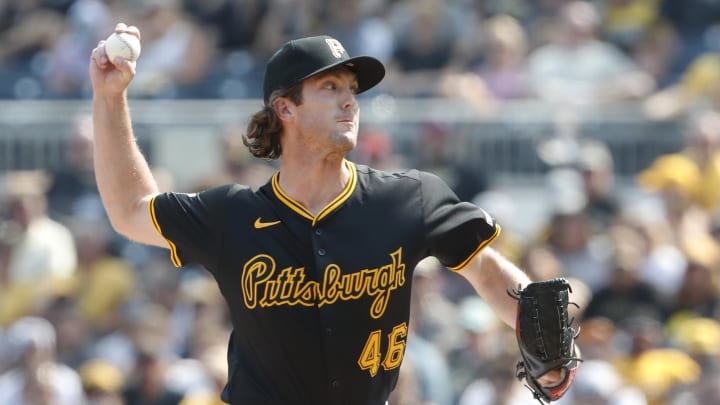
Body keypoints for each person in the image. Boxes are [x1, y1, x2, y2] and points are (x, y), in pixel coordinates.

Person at [89, 23, 571, 404]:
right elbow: (130, 211)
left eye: (352, 89)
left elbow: (485, 268)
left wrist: (535, 329)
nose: (349, 100)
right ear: (286, 108)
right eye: (330, 85)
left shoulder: (407, 200)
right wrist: (111, 99)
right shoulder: (231, 215)